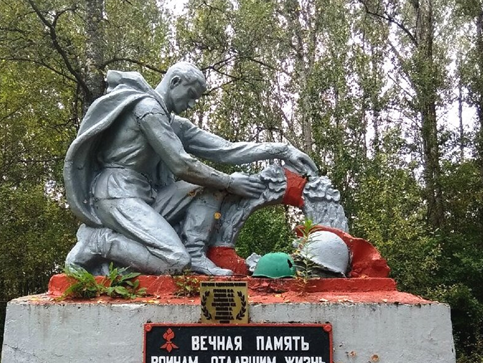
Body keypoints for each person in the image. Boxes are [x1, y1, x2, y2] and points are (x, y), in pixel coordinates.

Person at [64, 62, 317, 275]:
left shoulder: (175, 124)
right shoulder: (147, 109)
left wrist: (282, 150)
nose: (193, 103)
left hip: (146, 195)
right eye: (191, 94)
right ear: (175, 82)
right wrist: (230, 182)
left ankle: (195, 253)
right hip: (116, 195)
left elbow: (226, 149)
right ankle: (100, 242)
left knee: (211, 188)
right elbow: (181, 165)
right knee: (175, 261)